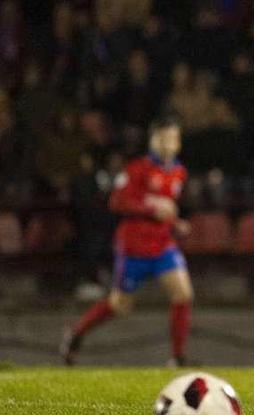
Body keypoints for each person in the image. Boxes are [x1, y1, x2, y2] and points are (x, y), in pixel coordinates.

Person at [60, 117, 193, 367]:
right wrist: (150, 207)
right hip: (134, 248)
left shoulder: (178, 172)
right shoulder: (136, 169)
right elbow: (116, 202)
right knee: (120, 305)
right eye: (163, 138)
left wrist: (176, 224)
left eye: (173, 139)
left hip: (163, 245)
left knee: (183, 294)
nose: (168, 144)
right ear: (153, 140)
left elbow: (167, 210)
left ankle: (177, 358)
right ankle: (76, 333)